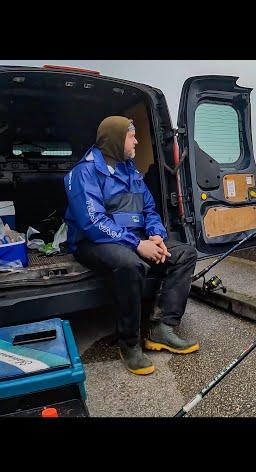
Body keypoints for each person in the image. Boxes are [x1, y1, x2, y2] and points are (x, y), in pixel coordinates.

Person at [64, 116, 199, 375]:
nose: (137, 140)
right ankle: (129, 344)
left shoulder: (131, 170)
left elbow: (149, 208)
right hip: (94, 241)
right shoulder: (84, 172)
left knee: (185, 254)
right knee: (130, 264)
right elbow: (92, 221)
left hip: (133, 237)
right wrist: (137, 244)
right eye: (131, 135)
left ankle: (162, 328)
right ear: (114, 139)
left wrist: (156, 235)